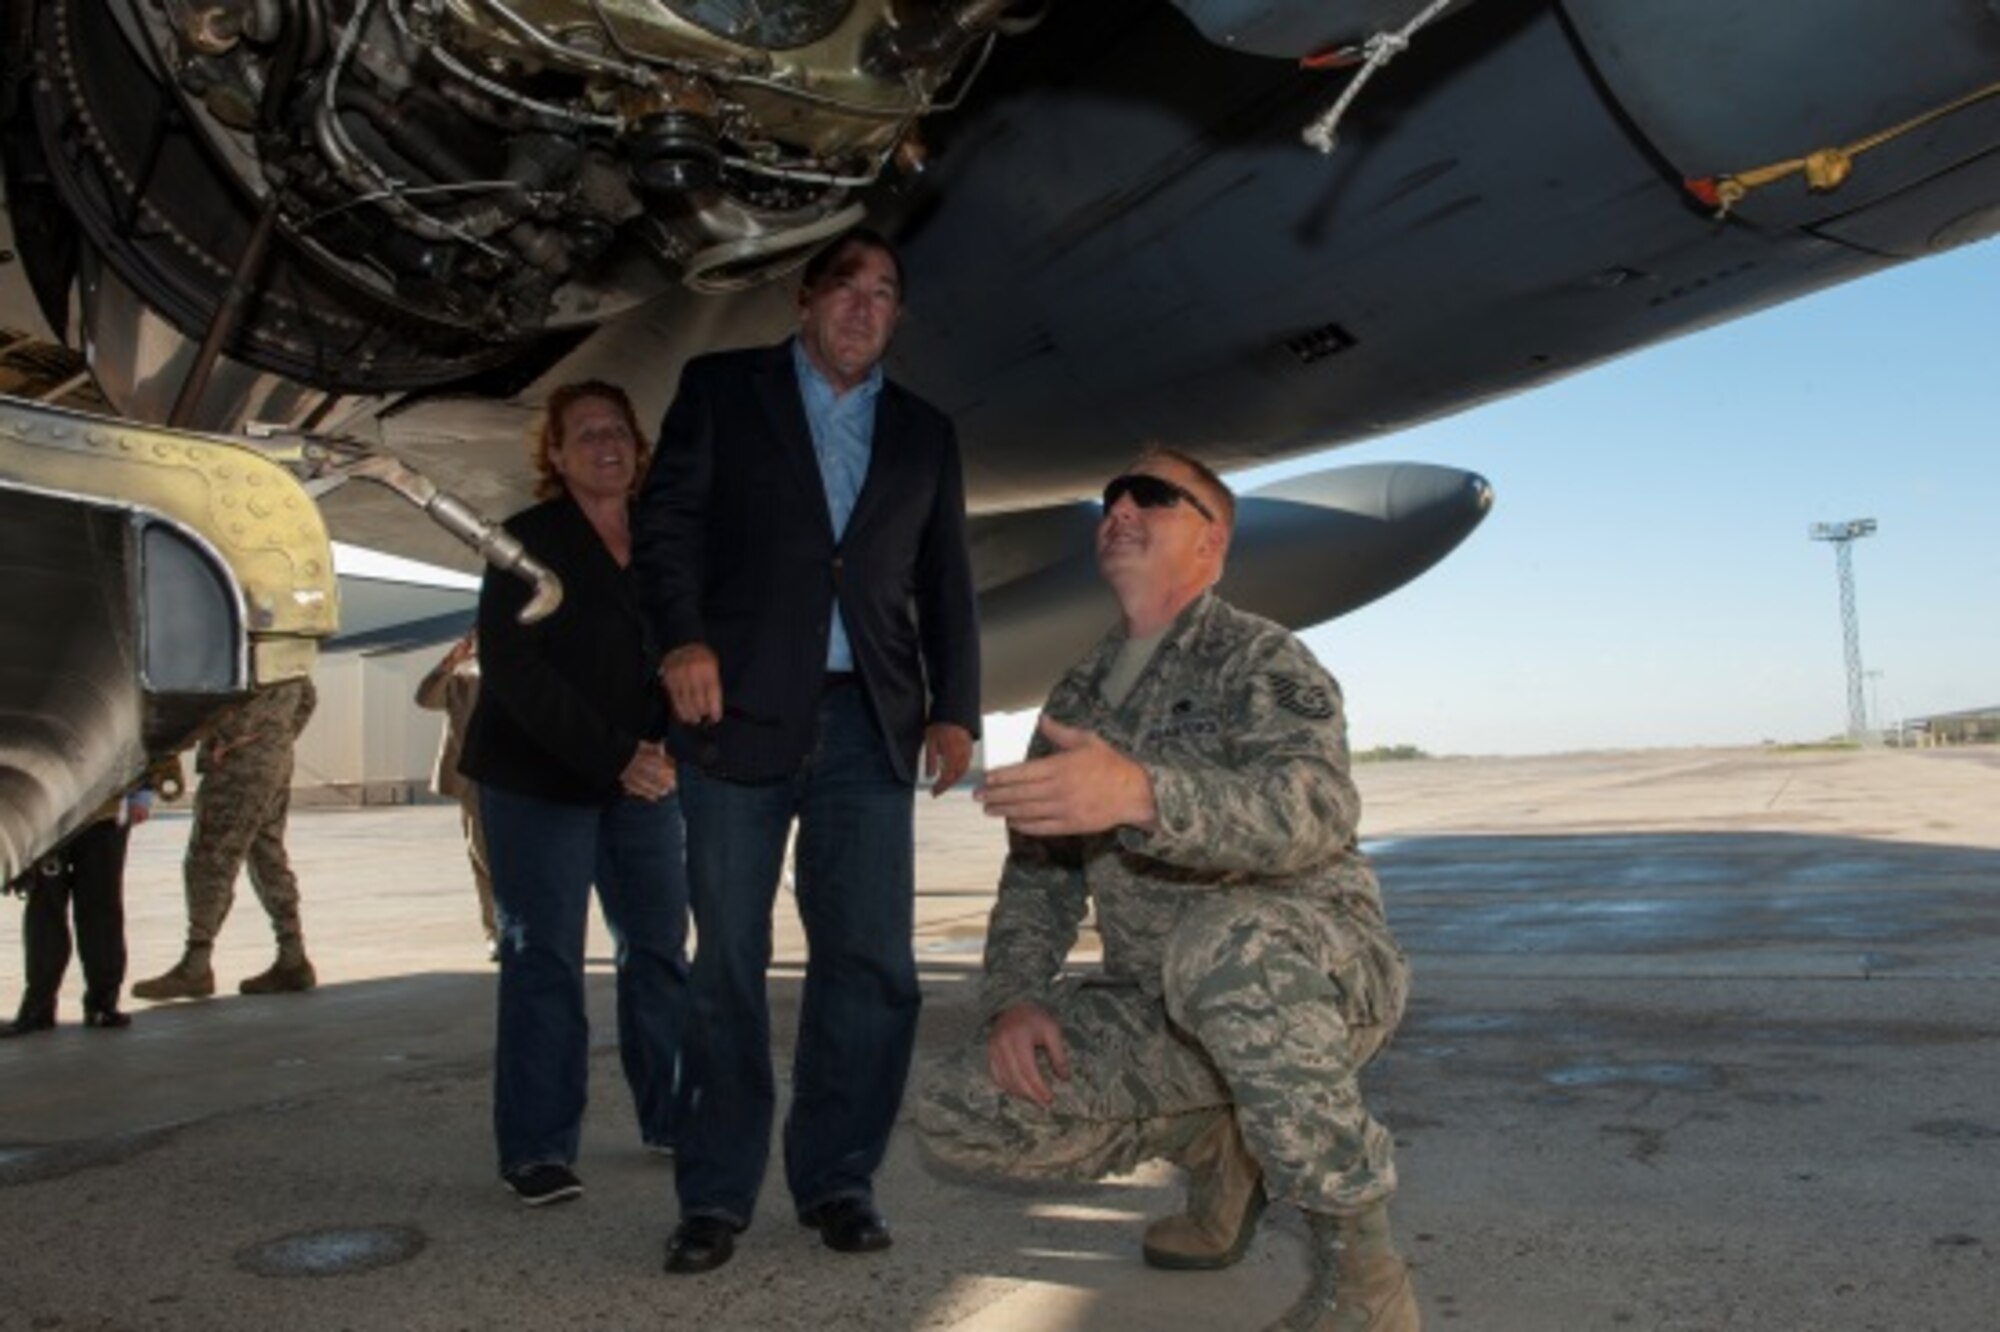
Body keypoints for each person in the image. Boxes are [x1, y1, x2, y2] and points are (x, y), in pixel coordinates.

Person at [916, 450, 1419, 1332]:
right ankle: (1217, 1143)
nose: (1119, 506)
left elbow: (1317, 808)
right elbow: (1037, 880)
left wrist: (1146, 794)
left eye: (1152, 495)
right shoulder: (1077, 692)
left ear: (1212, 539)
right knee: (957, 1107)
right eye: (1110, 495)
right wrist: (1017, 1000)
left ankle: (1364, 1279)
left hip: (1308, 981)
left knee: (1222, 949)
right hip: (1162, 1005)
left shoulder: (1261, 660)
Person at [634, 226, 981, 1272]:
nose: (863, 307)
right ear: (803, 300)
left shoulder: (923, 432)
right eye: (845, 288)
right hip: (734, 719)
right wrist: (681, 641)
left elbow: (944, 583)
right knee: (728, 965)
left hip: (867, 724)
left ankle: (837, 1178)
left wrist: (955, 707)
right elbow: (665, 532)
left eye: (883, 293)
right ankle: (714, 1195)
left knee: (872, 966)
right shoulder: (720, 388)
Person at [458, 379, 690, 1208]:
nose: (607, 445)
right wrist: (615, 755)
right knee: (544, 958)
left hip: (646, 783)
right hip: (537, 780)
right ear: (555, 455)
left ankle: (672, 1115)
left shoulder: (665, 540)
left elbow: (687, 647)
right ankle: (537, 1149)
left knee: (660, 950)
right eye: (587, 434)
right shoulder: (525, 542)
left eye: (620, 431)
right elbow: (516, 671)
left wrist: (667, 749)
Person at [133, 677, 320, 1000]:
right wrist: (277, 740)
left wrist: (182, 745)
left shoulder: (235, 651)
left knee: (210, 859)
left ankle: (196, 964)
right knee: (267, 855)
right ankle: (292, 955)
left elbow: (202, 705)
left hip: (237, 762)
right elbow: (308, 698)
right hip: (272, 758)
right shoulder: (285, 651)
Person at [2, 788, 150, 1035]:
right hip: (47, 815)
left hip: (104, 813)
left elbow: (137, 749)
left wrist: (141, 796)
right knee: (45, 911)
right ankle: (38, 1008)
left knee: (101, 910)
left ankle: (102, 1005)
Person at [416, 630, 496, 960]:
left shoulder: (522, 670)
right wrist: (447, 665)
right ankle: (495, 930)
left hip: (514, 777)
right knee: (482, 857)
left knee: (518, 859)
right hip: (473, 779)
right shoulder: (461, 679)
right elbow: (425, 699)